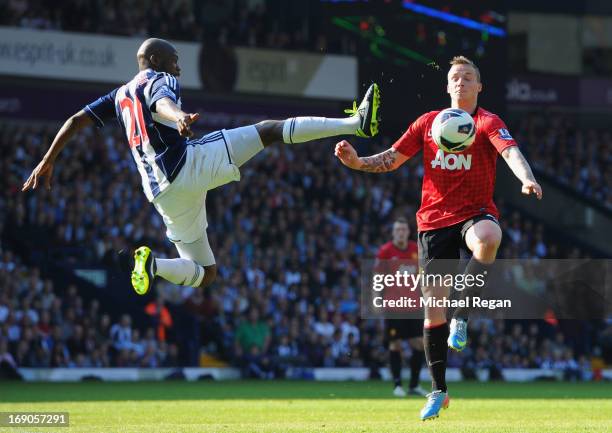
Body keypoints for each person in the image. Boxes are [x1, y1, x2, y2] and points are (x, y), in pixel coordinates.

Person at [22, 38, 380, 295]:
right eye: (175, 60)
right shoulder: (161, 79)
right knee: (269, 131)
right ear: (159, 60)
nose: (179, 67)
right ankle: (355, 124)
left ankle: (153, 266)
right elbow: (160, 102)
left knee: (205, 273)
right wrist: (178, 117)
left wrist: (47, 159)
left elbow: (74, 120)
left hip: (161, 194)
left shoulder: (118, 96)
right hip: (185, 165)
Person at [335, 55, 542, 420]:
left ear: (479, 87)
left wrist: (526, 178)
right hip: (432, 222)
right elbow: (393, 158)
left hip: (475, 211)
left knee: (490, 237)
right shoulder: (428, 123)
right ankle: (438, 391)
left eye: (467, 77)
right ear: (447, 87)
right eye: (455, 78)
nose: (460, 82)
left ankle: (462, 314)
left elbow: (511, 151)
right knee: (433, 309)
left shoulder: (487, 122)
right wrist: (358, 162)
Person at [376, 217, 427, 397]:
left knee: (419, 343)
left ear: (408, 232)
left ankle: (414, 385)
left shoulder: (416, 249)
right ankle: (397, 385)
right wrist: (376, 298)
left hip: (414, 306)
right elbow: (378, 278)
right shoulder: (386, 251)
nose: (400, 232)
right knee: (394, 344)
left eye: (403, 229)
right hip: (394, 305)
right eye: (397, 229)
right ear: (393, 232)